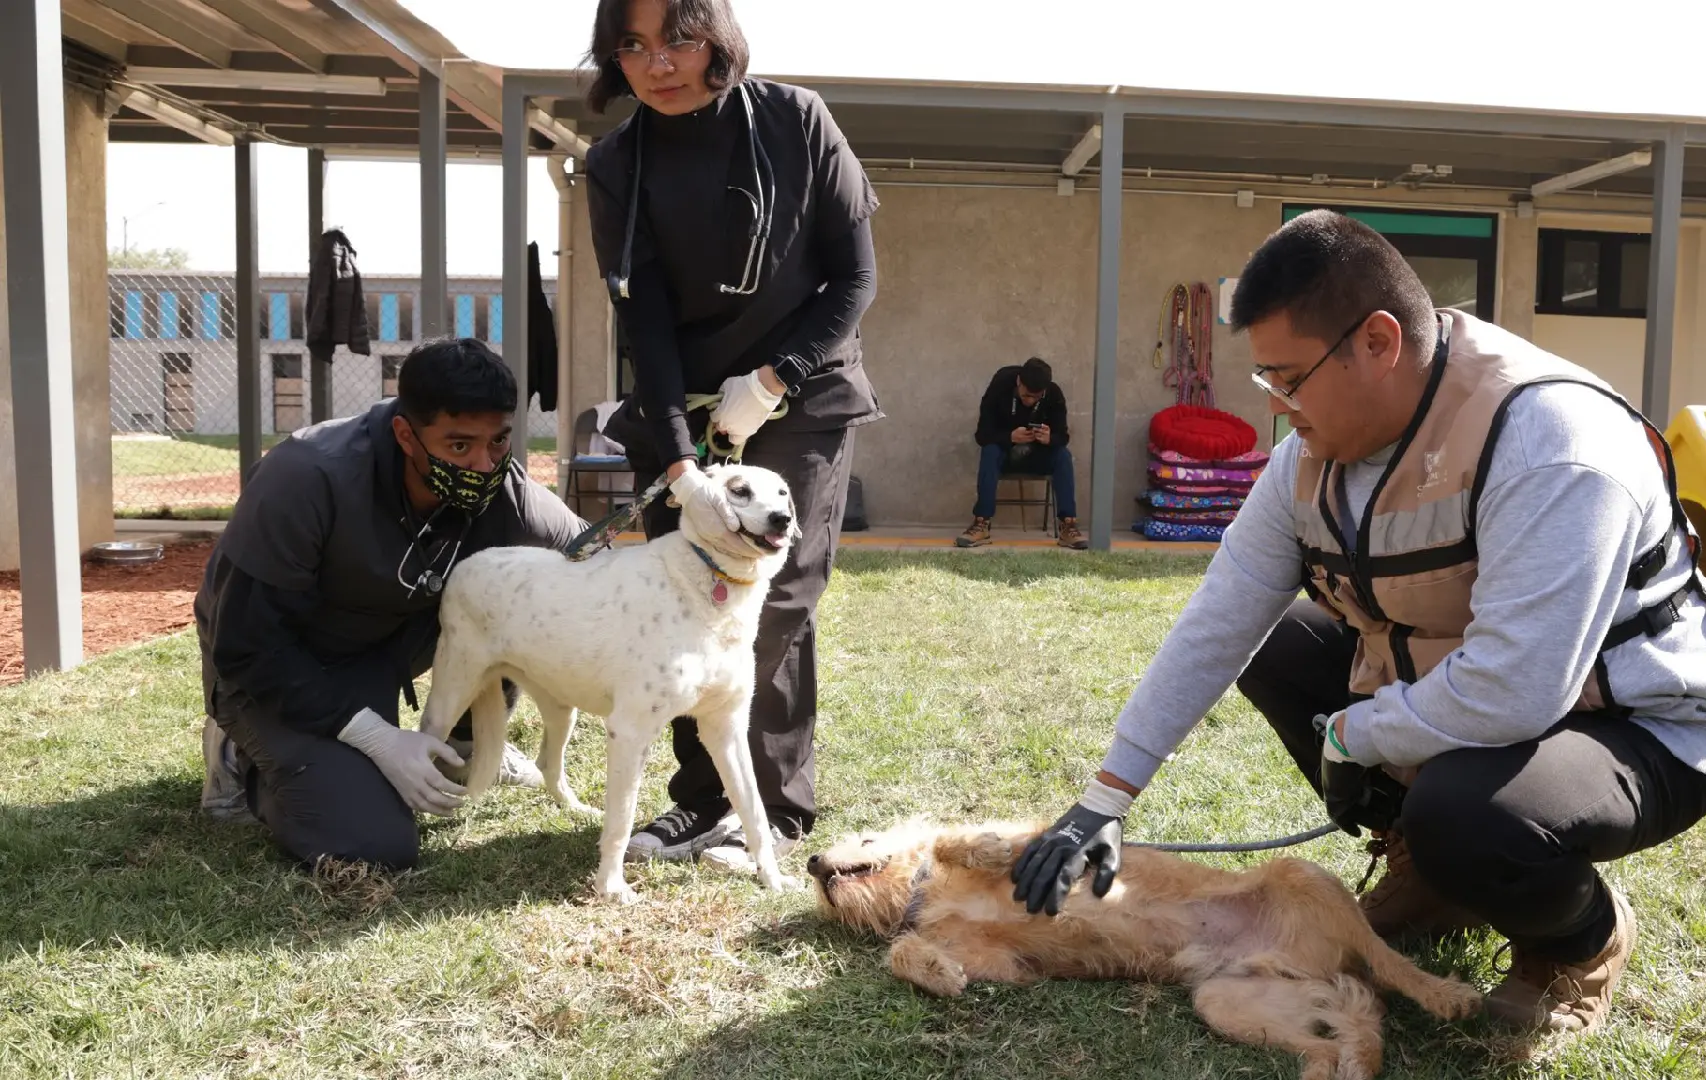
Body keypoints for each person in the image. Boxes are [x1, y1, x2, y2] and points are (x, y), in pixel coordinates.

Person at [1010, 210, 1706, 1036]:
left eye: (1288, 378)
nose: (1278, 408)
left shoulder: (1550, 440)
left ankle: (1580, 940)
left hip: (1632, 727)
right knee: (1279, 647)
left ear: (1378, 342)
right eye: (1266, 382)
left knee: (1471, 817)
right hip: (1481, 700)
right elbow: (1220, 619)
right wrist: (1106, 797)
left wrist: (1357, 734)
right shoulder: (1308, 458)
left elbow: (1517, 691)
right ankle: (1434, 876)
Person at [580, 0, 882, 865]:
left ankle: (766, 811)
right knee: (689, 593)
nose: (658, 64)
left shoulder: (796, 119)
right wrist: (677, 452)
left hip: (805, 391)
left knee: (773, 594)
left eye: (678, 38)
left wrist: (772, 380)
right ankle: (713, 801)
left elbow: (854, 279)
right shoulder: (615, 163)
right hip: (683, 405)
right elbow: (647, 326)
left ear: (718, 38)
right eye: (632, 46)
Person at [195, 338, 589, 869]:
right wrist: (378, 738)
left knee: (521, 585)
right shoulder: (308, 476)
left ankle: (466, 743)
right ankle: (244, 759)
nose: (481, 465)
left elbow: (590, 557)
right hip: (283, 667)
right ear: (405, 434)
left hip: (383, 648)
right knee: (373, 844)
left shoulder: (501, 484)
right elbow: (248, 646)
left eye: (498, 442)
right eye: (458, 447)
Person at [955, 356, 1088, 550]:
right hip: (1004, 454)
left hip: (1037, 456)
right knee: (989, 451)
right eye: (1026, 395)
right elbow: (982, 435)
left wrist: (1050, 438)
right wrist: (1009, 437)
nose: (1030, 401)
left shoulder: (1053, 393)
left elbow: (1063, 437)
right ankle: (981, 523)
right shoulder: (1001, 384)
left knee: (1063, 456)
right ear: (1019, 382)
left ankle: (1068, 525)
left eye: (1036, 397)